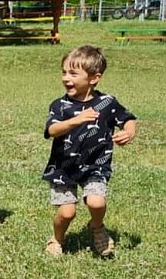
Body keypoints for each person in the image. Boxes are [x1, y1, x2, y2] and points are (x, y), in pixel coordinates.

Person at [42, 45, 136, 258]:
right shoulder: (60, 106)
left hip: (96, 165)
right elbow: (52, 129)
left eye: (73, 73)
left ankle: (97, 226)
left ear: (94, 78)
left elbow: (127, 118)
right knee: (67, 213)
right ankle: (57, 238)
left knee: (96, 201)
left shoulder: (107, 103)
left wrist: (129, 132)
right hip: (62, 168)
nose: (66, 78)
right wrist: (76, 120)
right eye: (64, 72)